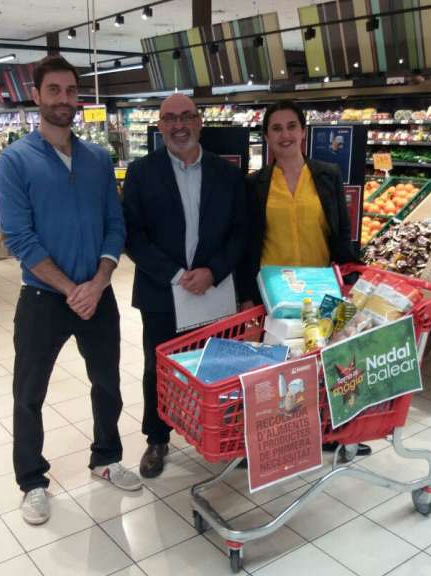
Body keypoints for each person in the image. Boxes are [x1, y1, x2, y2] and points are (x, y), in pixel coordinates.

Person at [0, 55, 141, 526]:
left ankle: (105, 456)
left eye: (71, 91)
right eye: (54, 90)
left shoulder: (98, 159)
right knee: (29, 393)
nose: (64, 100)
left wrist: (98, 282)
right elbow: (19, 236)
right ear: (37, 96)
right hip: (42, 298)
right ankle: (33, 482)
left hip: (98, 296)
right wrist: (69, 287)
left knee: (108, 382)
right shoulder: (16, 161)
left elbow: (114, 225)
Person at [238, 100, 370, 462]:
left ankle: (329, 431)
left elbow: (341, 233)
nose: (285, 134)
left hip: (321, 290)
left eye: (291, 126)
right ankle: (273, 439)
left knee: (322, 362)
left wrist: (351, 277)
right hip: (275, 293)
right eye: (276, 128)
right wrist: (248, 296)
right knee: (277, 366)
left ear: (303, 131)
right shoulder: (256, 184)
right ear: (266, 135)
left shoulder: (326, 174)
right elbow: (247, 242)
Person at [123, 93, 247, 478]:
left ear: (199, 122)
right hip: (163, 291)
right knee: (158, 368)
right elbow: (133, 235)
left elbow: (242, 233)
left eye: (186, 117)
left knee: (218, 364)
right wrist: (176, 275)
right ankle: (157, 438)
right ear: (160, 127)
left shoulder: (226, 173)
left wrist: (213, 270)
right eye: (170, 119)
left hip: (216, 289)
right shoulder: (142, 172)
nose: (179, 125)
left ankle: (223, 429)